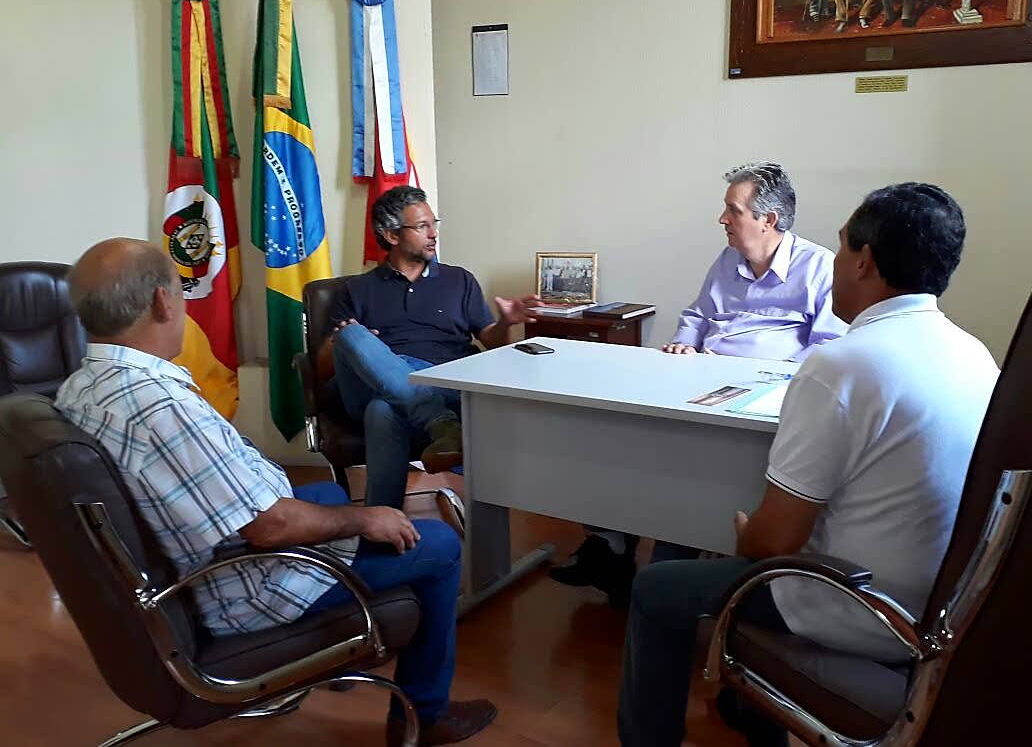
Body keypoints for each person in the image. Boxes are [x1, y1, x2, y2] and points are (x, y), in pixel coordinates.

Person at [56, 238, 497, 746]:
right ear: (162, 301)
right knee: (437, 546)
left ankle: (345, 653)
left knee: (330, 497)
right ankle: (424, 713)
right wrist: (366, 518)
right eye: (180, 291)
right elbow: (270, 527)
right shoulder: (157, 407)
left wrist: (347, 514)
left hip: (192, 564)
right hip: (245, 586)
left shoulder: (80, 388)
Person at [617, 183, 1000, 747]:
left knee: (654, 588)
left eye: (842, 246)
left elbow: (774, 542)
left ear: (864, 261)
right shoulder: (974, 352)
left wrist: (744, 534)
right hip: (945, 599)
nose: (833, 260)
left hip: (858, 600)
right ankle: (753, 710)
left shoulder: (841, 366)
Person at [550, 161, 846, 604]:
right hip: (700, 380)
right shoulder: (728, 260)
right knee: (620, 428)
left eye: (733, 211)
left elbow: (826, 350)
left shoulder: (819, 267)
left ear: (768, 219)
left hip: (762, 397)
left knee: (680, 462)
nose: (722, 219)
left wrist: (755, 370)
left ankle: (661, 564)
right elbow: (696, 315)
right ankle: (610, 541)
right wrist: (683, 344)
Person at [315, 185, 542, 509]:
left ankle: (382, 522)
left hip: (448, 384)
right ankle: (440, 423)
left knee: (383, 410)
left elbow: (492, 342)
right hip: (370, 387)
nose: (433, 234)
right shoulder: (357, 290)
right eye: (422, 226)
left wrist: (506, 323)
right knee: (352, 335)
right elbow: (322, 369)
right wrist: (347, 343)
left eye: (434, 223)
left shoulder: (459, 280)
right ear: (391, 235)